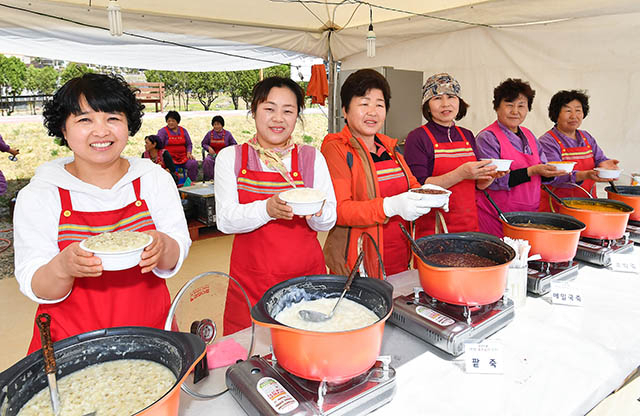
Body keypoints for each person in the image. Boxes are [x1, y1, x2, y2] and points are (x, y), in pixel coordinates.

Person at [13, 73, 191, 354]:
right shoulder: (40, 194)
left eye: (112, 118)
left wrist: (163, 245)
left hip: (151, 334)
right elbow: (35, 282)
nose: (101, 131)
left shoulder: (153, 179)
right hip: (71, 345)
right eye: (84, 120)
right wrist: (63, 267)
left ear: (128, 124)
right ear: (63, 129)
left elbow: (176, 251)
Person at [214, 76, 337, 334]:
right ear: (254, 111)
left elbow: (329, 220)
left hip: (306, 279)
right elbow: (225, 220)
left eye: (288, 111)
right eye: (269, 109)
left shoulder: (311, 157)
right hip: (251, 280)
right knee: (252, 356)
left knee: (306, 350)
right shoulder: (231, 158)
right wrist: (267, 209)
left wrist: (318, 212)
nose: (278, 118)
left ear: (297, 116)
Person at [321, 69, 432, 277]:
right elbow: (340, 211)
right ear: (345, 110)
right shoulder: (337, 149)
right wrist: (389, 206)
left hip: (398, 258)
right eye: (364, 104)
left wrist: (431, 195)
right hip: (358, 266)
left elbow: (413, 186)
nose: (372, 112)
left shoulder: (389, 148)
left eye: (379, 105)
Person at [404, 73, 500, 238]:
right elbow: (419, 185)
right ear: (427, 106)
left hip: (469, 224)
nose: (445, 104)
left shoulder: (467, 135)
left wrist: (491, 176)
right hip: (434, 227)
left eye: (451, 97)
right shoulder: (418, 137)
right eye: (437, 98)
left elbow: (477, 186)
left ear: (459, 102)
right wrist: (461, 173)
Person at [474, 78, 567, 237]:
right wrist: (532, 171)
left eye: (521, 106)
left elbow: (541, 169)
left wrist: (549, 173)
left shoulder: (529, 135)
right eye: (509, 105)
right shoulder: (487, 138)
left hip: (528, 216)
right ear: (497, 107)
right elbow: (494, 181)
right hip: (496, 216)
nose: (515, 111)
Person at [538, 90, 619, 211]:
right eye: (568, 111)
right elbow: (554, 176)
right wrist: (585, 174)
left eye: (578, 110)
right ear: (556, 114)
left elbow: (600, 159)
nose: (573, 116)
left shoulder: (586, 137)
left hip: (587, 204)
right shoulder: (548, 141)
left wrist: (605, 164)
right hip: (557, 206)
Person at [156, 110, 198, 182]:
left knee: (193, 163)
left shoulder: (183, 130)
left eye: (173, 121)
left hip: (183, 156)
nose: (170, 123)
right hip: (169, 158)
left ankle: (191, 182)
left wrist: (189, 152)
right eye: (169, 121)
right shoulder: (162, 131)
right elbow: (158, 145)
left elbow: (189, 144)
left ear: (177, 122)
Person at [201, 115, 237, 181]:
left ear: (222, 125)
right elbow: (203, 143)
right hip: (213, 155)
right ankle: (211, 179)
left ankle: (224, 179)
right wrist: (208, 148)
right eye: (214, 124)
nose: (216, 126)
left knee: (225, 163)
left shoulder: (228, 134)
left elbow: (234, 144)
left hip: (224, 156)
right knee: (207, 161)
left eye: (218, 124)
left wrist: (227, 151)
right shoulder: (209, 134)